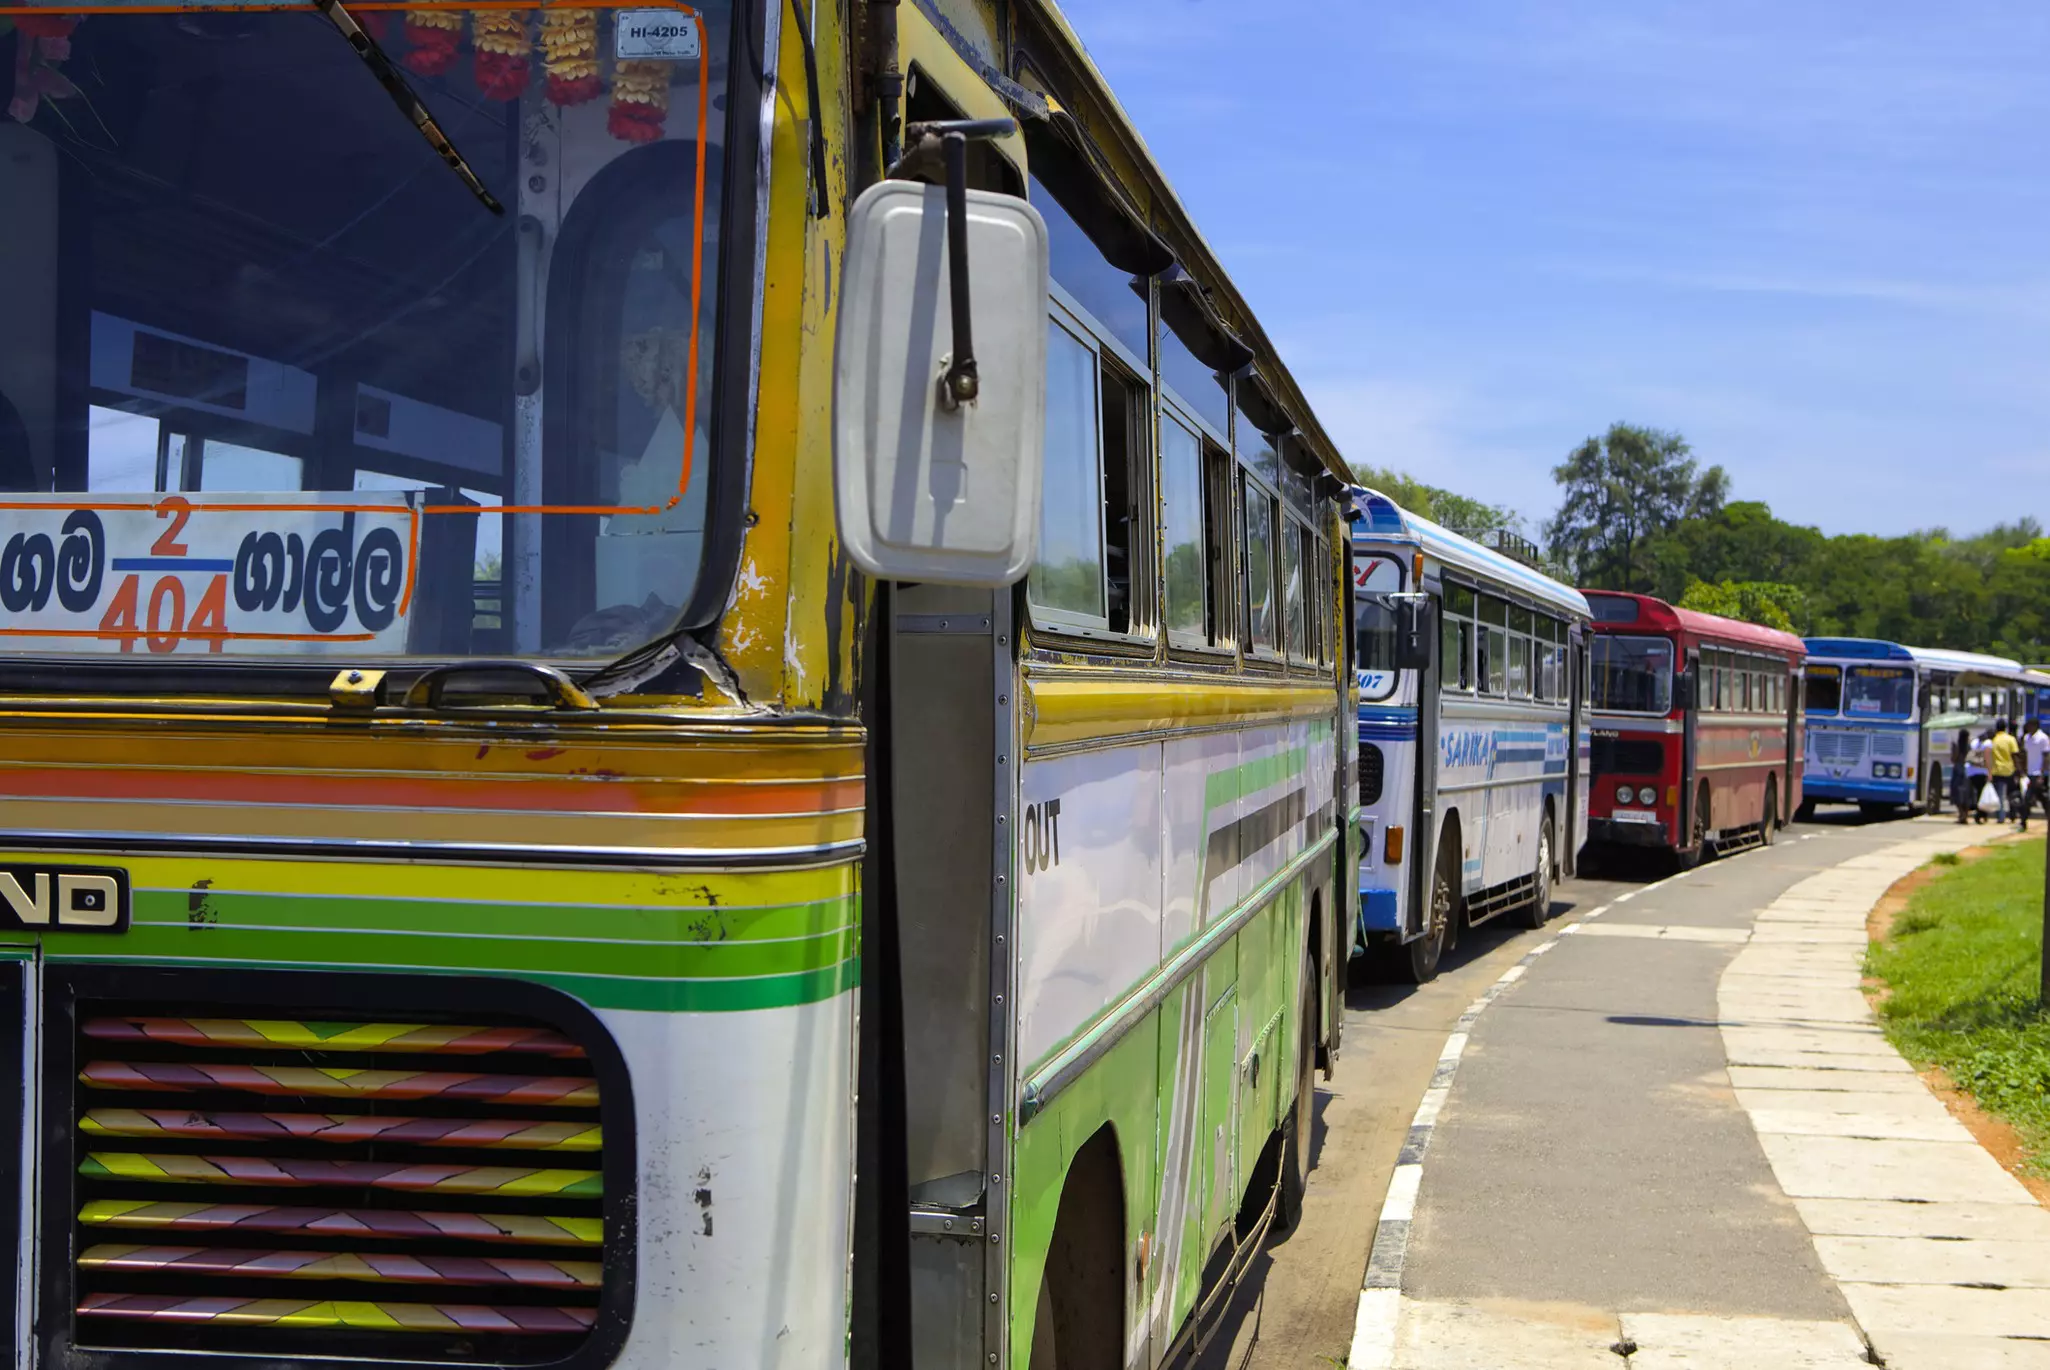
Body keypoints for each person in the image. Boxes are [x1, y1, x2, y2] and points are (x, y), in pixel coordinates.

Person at [1990, 718, 2020, 825]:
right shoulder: (2010, 739)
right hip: (2009, 770)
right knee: (2012, 794)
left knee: (2000, 796)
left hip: (1997, 771)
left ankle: (2001, 817)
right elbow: (2015, 755)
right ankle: (2013, 815)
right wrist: (2018, 770)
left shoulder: (1994, 740)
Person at [2021, 717, 2049, 833]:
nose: (2028, 727)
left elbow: (2046, 757)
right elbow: (2025, 754)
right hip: (2030, 772)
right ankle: (2024, 821)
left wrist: (2042, 774)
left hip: (2039, 773)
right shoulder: (2026, 738)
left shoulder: (2043, 738)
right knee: (2040, 799)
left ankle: (2023, 822)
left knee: (2031, 798)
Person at [1951, 727, 1973, 823]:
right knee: (1966, 794)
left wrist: (1953, 749)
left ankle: (1961, 814)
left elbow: (1953, 759)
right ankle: (1965, 815)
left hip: (1958, 769)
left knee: (1956, 793)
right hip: (1968, 770)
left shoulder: (1957, 746)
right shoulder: (1969, 746)